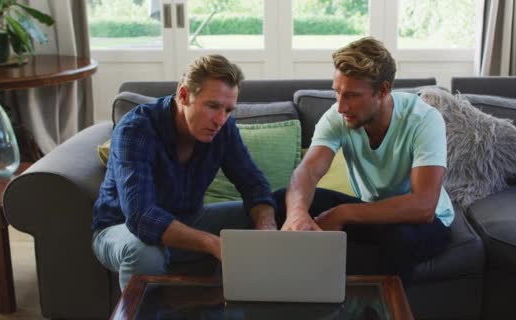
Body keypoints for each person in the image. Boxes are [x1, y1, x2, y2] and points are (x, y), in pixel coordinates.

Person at [276, 37, 454, 282]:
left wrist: (342, 213)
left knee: (399, 239)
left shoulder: (424, 120)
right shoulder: (338, 117)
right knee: (280, 200)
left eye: (351, 96)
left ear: (383, 90)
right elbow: (308, 171)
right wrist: (297, 213)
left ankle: (385, 309)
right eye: (337, 92)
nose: (341, 106)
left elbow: (423, 206)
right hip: (371, 213)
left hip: (426, 221)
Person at [92, 54, 277, 290]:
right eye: (212, 106)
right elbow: (142, 217)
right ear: (183, 95)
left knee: (275, 209)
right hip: (121, 229)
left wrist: (267, 227)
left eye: (229, 110)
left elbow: (254, 185)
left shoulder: (224, 128)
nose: (220, 119)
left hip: (190, 220)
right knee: (145, 251)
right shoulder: (136, 128)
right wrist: (213, 243)